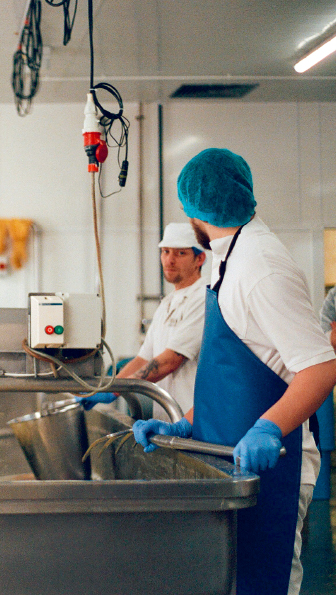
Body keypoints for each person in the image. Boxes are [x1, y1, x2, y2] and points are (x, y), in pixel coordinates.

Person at [132, 148, 336, 595]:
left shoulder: (260, 267)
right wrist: (189, 423)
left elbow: (320, 367)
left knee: (265, 583)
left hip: (271, 464)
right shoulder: (229, 258)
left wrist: (269, 428)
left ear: (192, 213)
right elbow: (243, 363)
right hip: (227, 457)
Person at [78, 222, 207, 420]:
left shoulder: (203, 299)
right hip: (166, 416)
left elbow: (170, 361)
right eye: (165, 251)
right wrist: (107, 387)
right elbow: (142, 359)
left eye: (180, 253)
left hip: (192, 418)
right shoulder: (167, 303)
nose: (169, 260)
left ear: (200, 258)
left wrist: (115, 391)